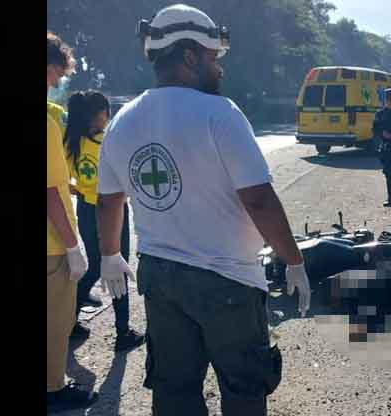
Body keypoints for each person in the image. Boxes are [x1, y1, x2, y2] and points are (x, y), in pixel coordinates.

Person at [95, 5, 310, 415]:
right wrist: (294, 260)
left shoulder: (122, 121)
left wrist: (109, 254)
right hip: (228, 279)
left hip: (160, 278)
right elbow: (259, 199)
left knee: (174, 390)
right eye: (213, 58)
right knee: (244, 388)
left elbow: (108, 200)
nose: (220, 68)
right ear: (190, 56)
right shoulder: (220, 114)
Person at [63, 90, 147, 351]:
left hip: (86, 209)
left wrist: (81, 189)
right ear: (98, 114)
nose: (108, 116)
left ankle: (68, 322)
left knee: (96, 266)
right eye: (105, 111)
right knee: (118, 266)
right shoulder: (107, 141)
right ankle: (123, 333)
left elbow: (66, 180)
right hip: (112, 210)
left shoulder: (71, 141)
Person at [46, 30, 98, 413]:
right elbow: (50, 192)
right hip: (50, 247)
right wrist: (72, 244)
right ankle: (53, 389)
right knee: (55, 322)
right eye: (57, 74)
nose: (57, 83)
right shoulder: (47, 124)